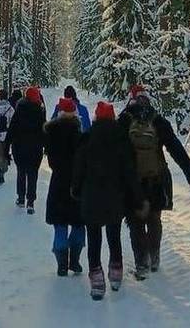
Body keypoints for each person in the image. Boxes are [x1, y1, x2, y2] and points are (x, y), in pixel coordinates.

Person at [118, 85, 190, 280]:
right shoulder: (158, 119)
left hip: (133, 183)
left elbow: (114, 150)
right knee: (154, 219)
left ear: (132, 99)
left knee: (136, 222)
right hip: (157, 180)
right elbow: (175, 147)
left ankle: (141, 264)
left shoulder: (124, 119)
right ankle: (154, 258)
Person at [72, 102, 147, 301]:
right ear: (113, 117)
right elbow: (130, 172)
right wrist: (137, 197)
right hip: (115, 198)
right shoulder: (122, 140)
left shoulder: (87, 139)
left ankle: (97, 281)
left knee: (94, 239)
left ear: (96, 117)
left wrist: (76, 190)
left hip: (91, 198)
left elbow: (78, 169)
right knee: (114, 237)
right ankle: (116, 273)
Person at [44, 97, 85, 276]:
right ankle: (74, 261)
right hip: (76, 185)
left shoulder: (51, 133)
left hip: (58, 183)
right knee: (78, 224)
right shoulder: (79, 135)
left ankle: (61, 263)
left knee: (60, 224)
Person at [7, 86, 45, 214]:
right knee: (33, 174)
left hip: (20, 147)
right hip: (35, 149)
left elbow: (12, 128)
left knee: (21, 172)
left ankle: (21, 197)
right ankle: (31, 202)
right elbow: (43, 130)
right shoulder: (40, 112)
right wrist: (46, 146)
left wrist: (7, 145)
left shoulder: (19, 110)